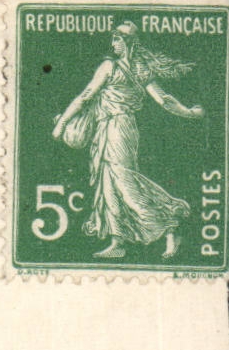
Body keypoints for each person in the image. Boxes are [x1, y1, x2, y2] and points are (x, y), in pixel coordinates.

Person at [52, 21, 205, 259]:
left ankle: (170, 225)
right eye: (113, 39)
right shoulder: (132, 67)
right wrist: (189, 112)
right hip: (107, 128)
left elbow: (86, 96)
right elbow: (162, 99)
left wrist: (63, 123)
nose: (113, 44)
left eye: (117, 39)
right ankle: (118, 241)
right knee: (108, 184)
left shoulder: (115, 67)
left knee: (125, 182)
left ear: (128, 42)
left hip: (120, 128)